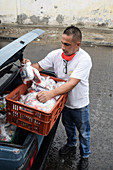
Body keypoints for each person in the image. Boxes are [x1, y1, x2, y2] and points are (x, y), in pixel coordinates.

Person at [23, 25, 92, 170]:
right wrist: (28, 66)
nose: (63, 47)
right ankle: (71, 144)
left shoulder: (84, 59)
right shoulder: (56, 54)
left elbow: (72, 83)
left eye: (67, 44)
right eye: (62, 42)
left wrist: (49, 94)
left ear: (77, 45)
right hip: (63, 102)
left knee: (84, 132)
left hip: (79, 104)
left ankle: (85, 155)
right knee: (68, 126)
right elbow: (39, 67)